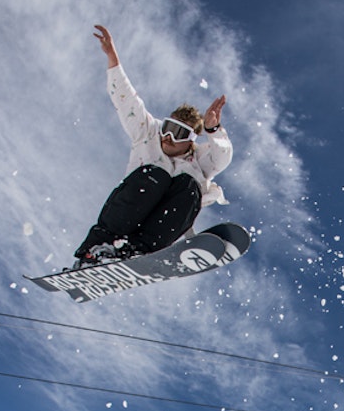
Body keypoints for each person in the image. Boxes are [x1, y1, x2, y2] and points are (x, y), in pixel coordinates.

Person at [72, 25, 233, 267]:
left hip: (160, 225)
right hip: (129, 209)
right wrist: (113, 58)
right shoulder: (148, 133)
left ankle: (137, 251)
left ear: (190, 141)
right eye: (167, 127)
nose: (167, 136)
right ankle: (96, 250)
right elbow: (127, 101)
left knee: (190, 187)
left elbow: (222, 157)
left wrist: (212, 131)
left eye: (178, 133)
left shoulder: (199, 159)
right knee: (154, 174)